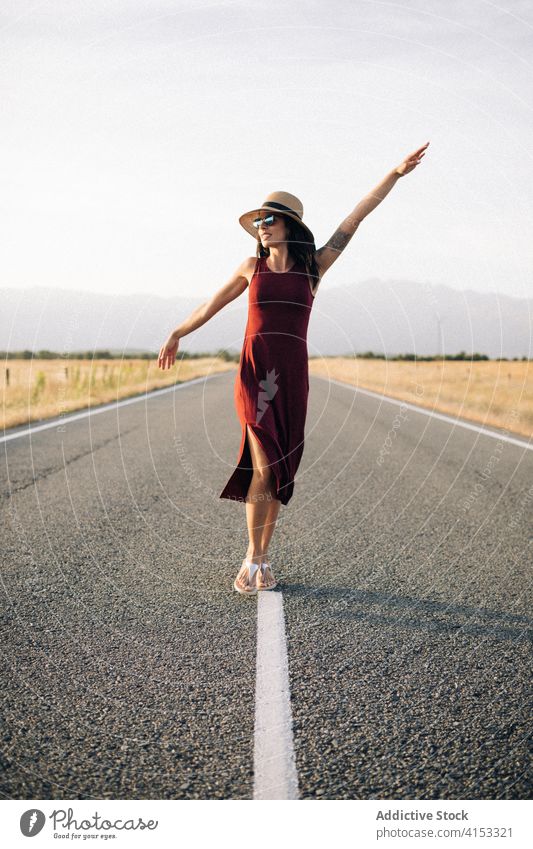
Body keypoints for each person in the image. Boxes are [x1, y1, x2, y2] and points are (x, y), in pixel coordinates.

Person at [159, 142, 430, 595]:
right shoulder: (251, 267)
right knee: (262, 462)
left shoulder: (313, 269)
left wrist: (395, 174)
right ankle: (252, 558)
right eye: (259, 222)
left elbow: (354, 218)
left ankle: (263, 558)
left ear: (290, 226)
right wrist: (177, 331)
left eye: (270, 220)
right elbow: (211, 306)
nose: (262, 228)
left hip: (292, 378)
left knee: (280, 469)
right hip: (254, 374)